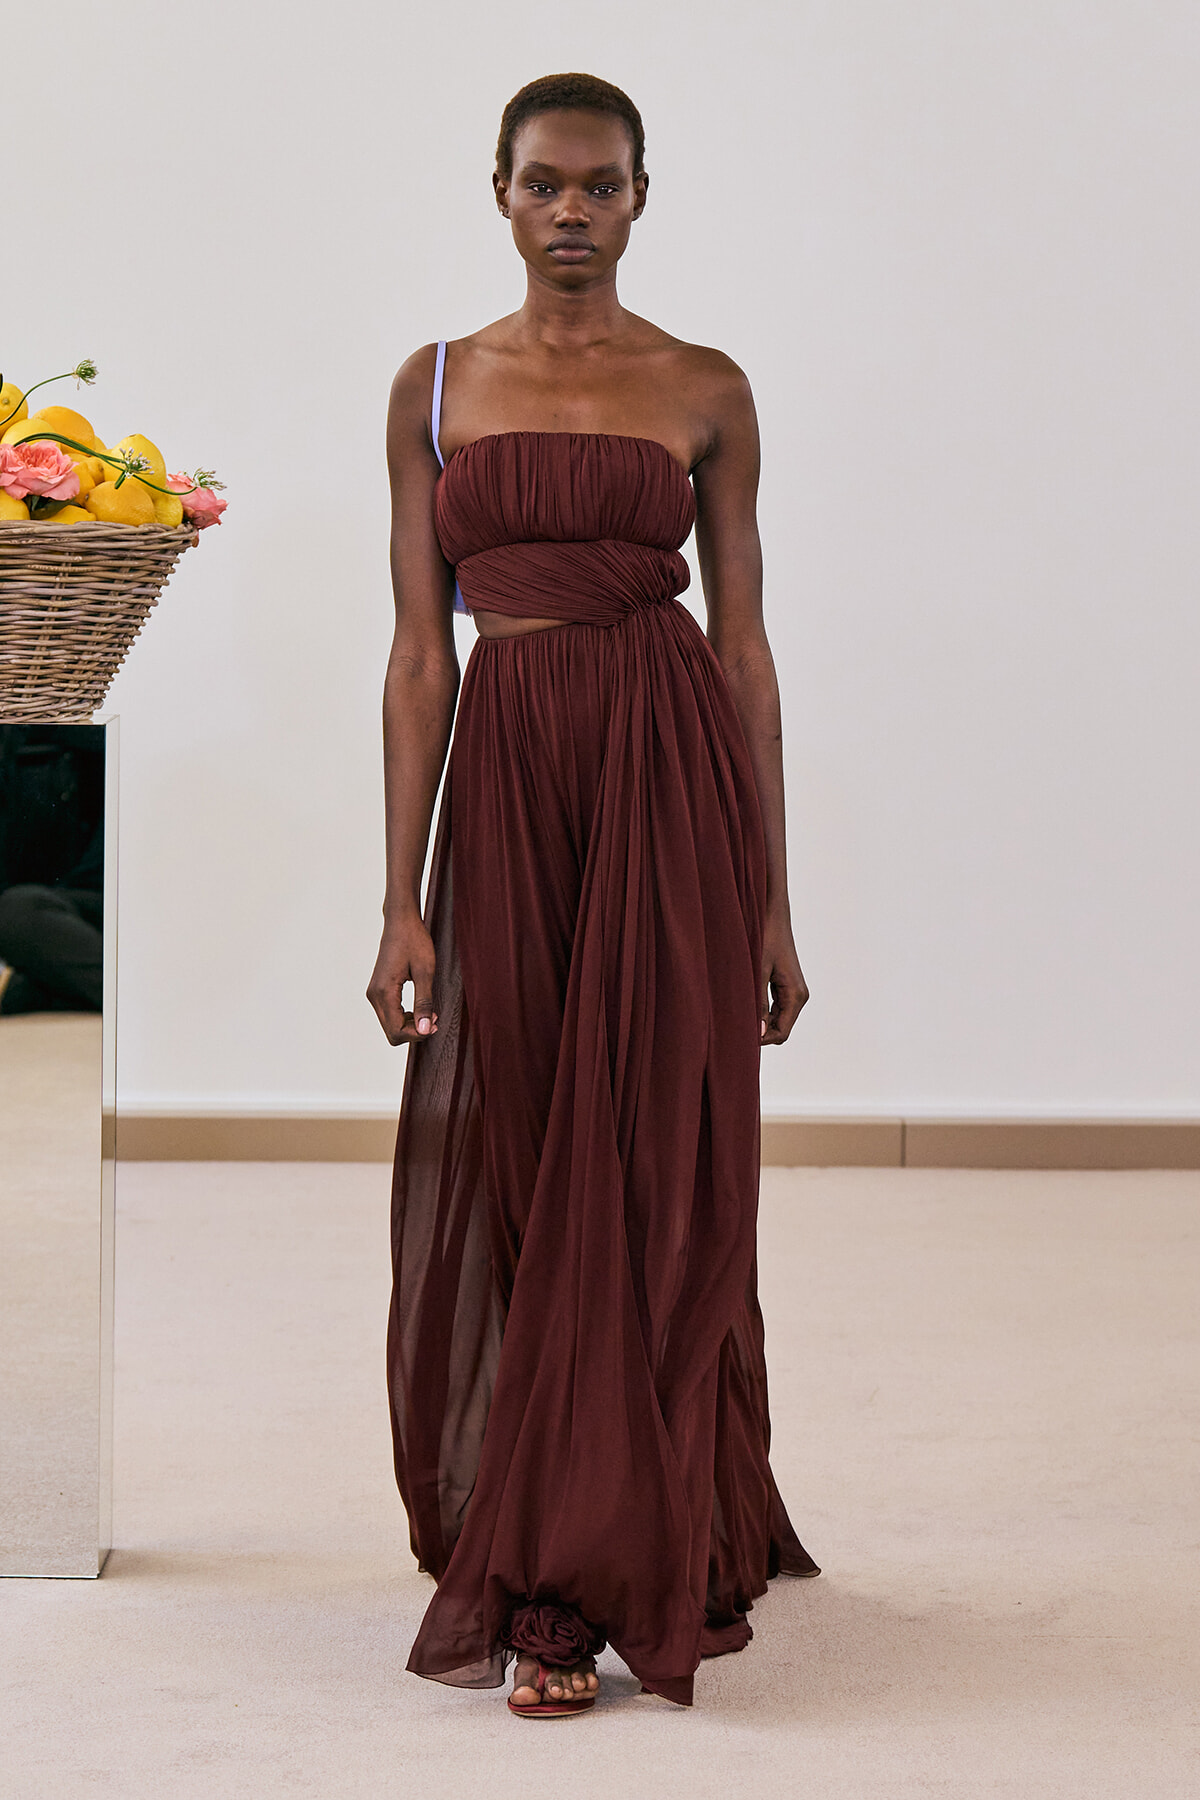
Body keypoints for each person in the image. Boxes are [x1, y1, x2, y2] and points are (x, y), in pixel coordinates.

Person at [367, 71, 817, 1718]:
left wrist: (771, 898)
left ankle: (568, 1586)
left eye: (602, 185)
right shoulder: (432, 389)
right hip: (511, 787)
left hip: (671, 771)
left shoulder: (706, 388)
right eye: (545, 183)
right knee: (536, 1146)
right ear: (498, 191)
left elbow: (750, 649)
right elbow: (423, 654)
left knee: (657, 1157)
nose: (573, 209)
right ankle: (583, 1506)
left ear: (642, 197)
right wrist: (401, 898)